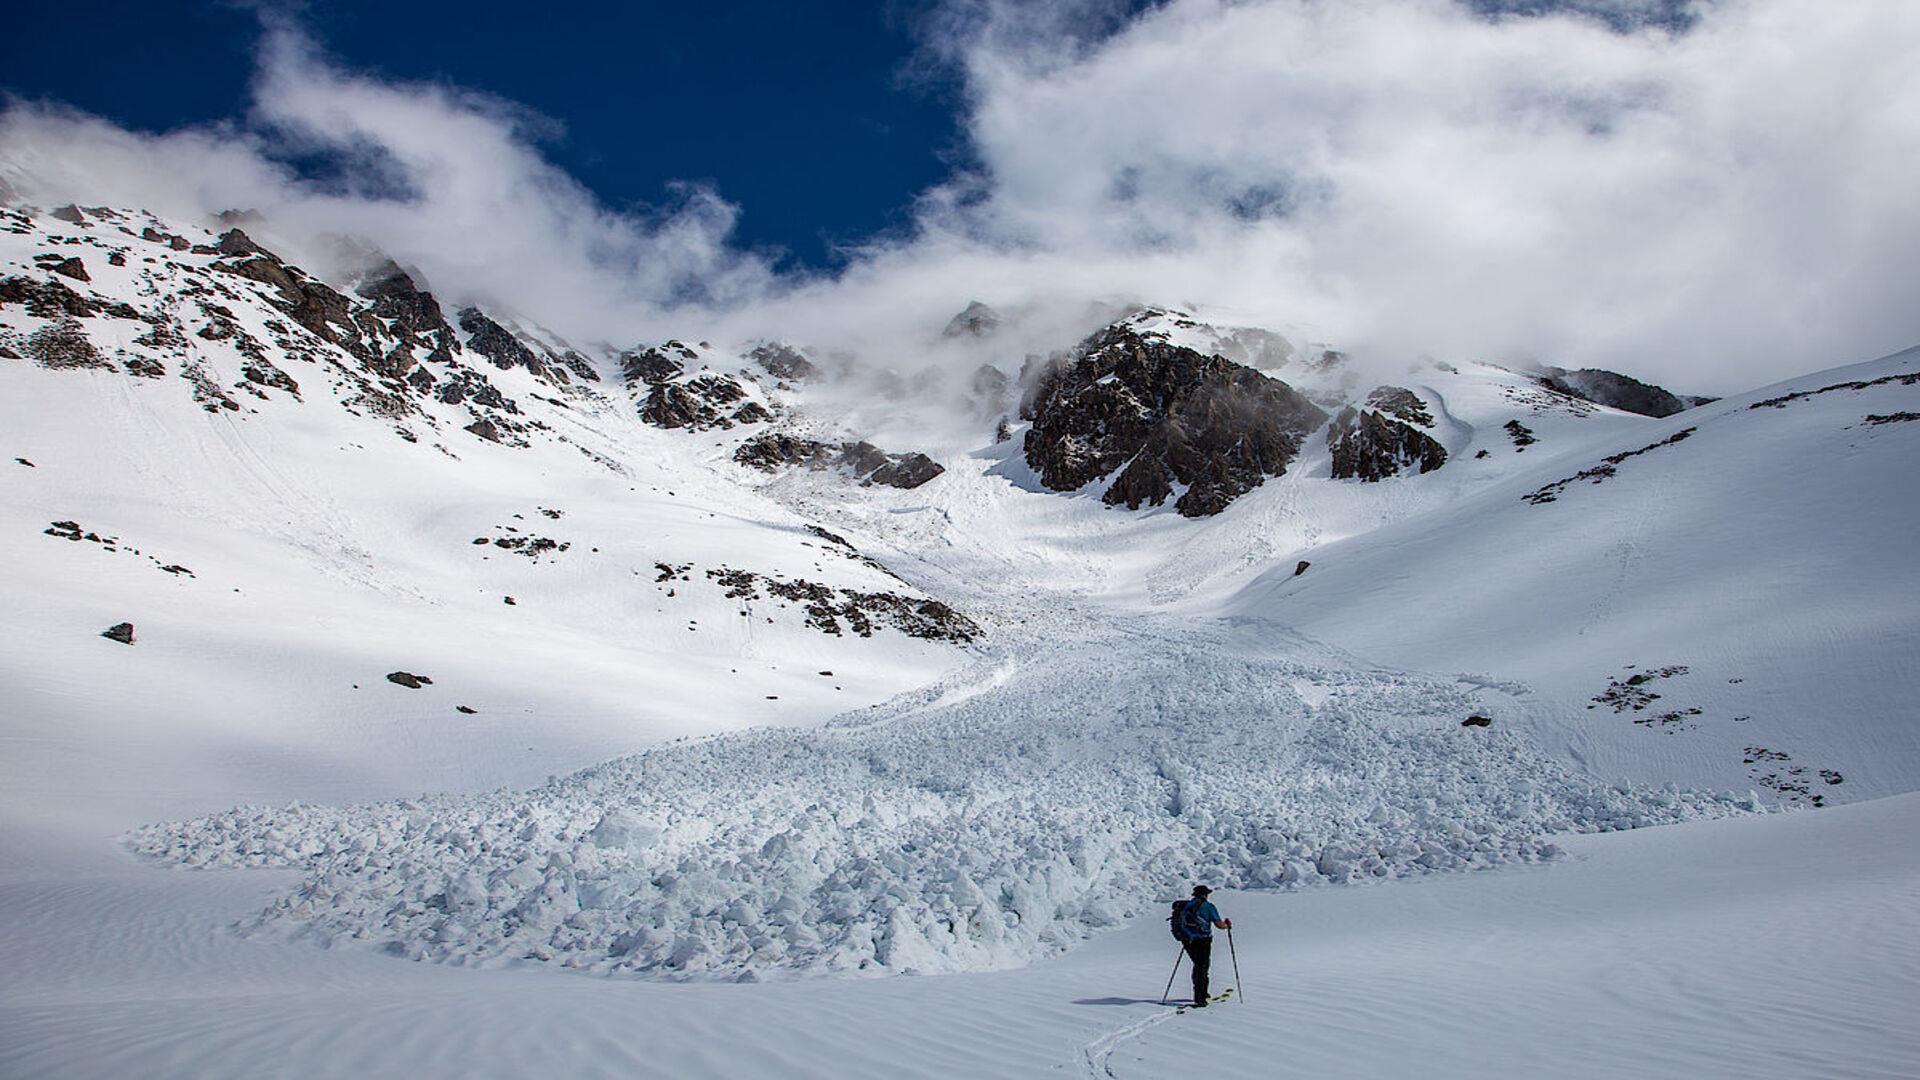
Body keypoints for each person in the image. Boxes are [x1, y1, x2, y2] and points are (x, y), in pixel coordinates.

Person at [1180, 885, 1231, 1006]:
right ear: (1205, 895)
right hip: (1203, 941)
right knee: (1203, 968)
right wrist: (1227, 925)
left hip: (1188, 940)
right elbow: (1219, 925)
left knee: (1197, 966)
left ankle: (1200, 993)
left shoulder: (1187, 906)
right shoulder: (1208, 906)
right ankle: (1201, 997)